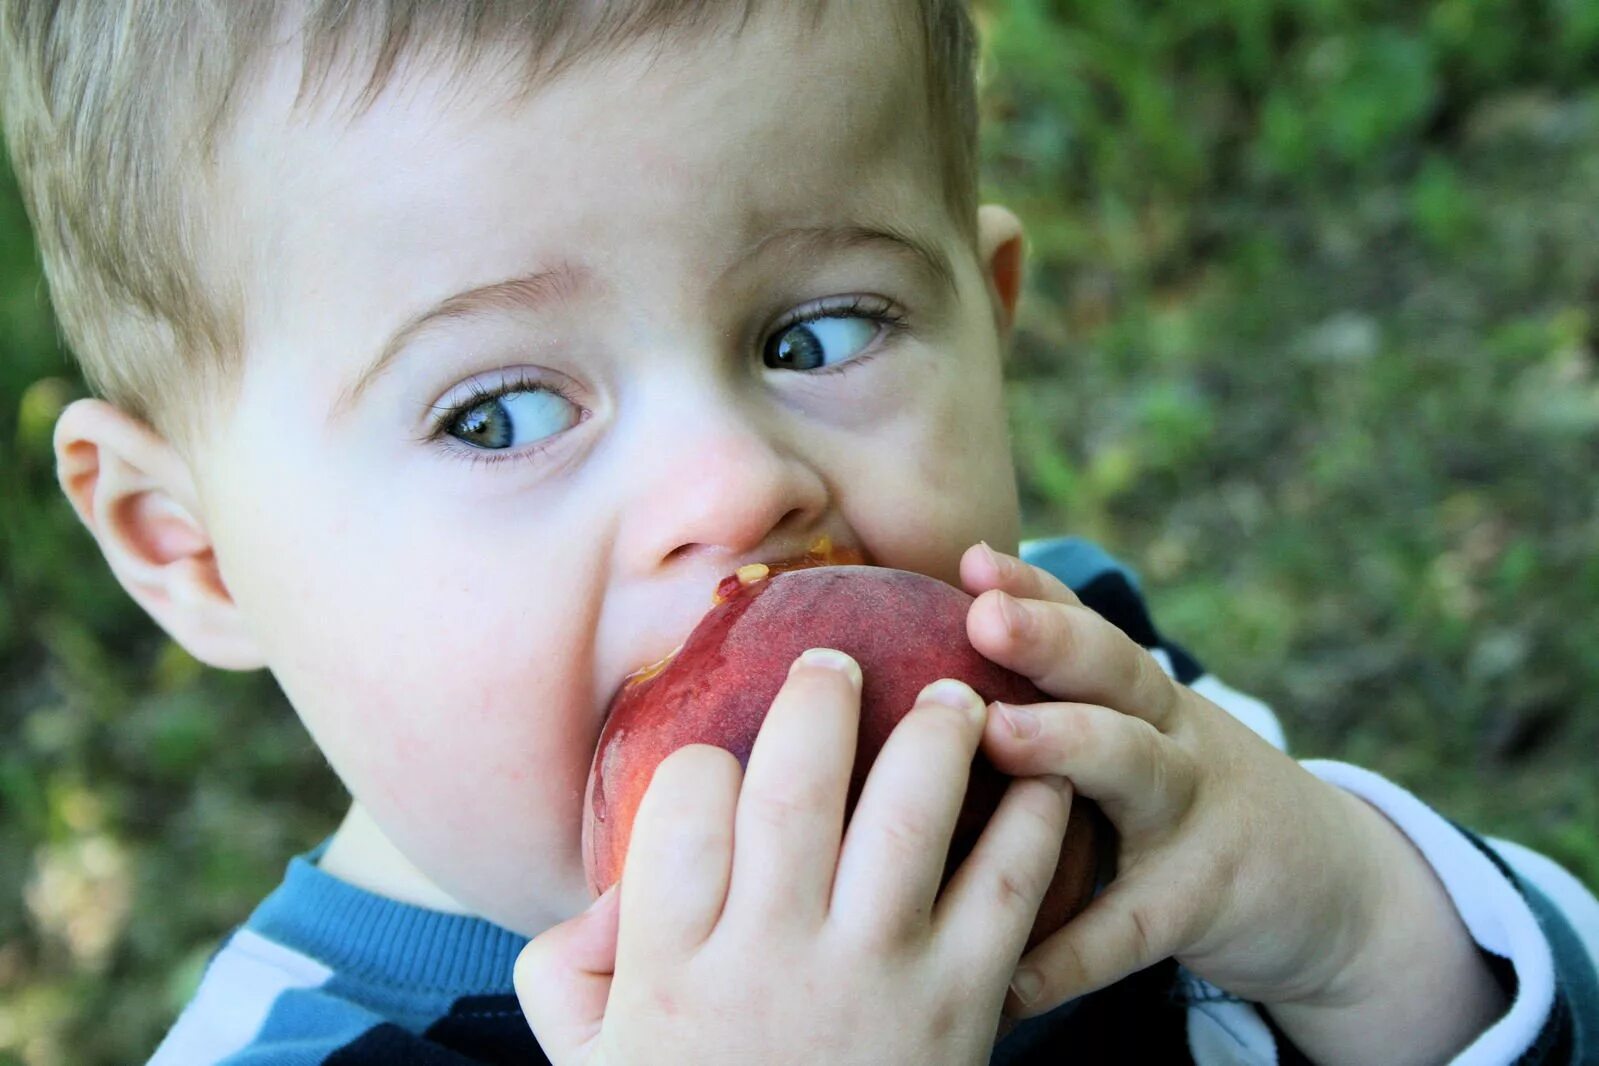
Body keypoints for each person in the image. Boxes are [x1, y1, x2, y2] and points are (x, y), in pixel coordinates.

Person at [2, 1, 1594, 1062]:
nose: (734, 485)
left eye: (819, 332)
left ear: (991, 319)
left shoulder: (1087, 716)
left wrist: (1344, 912)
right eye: (495, 412)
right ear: (189, 548)